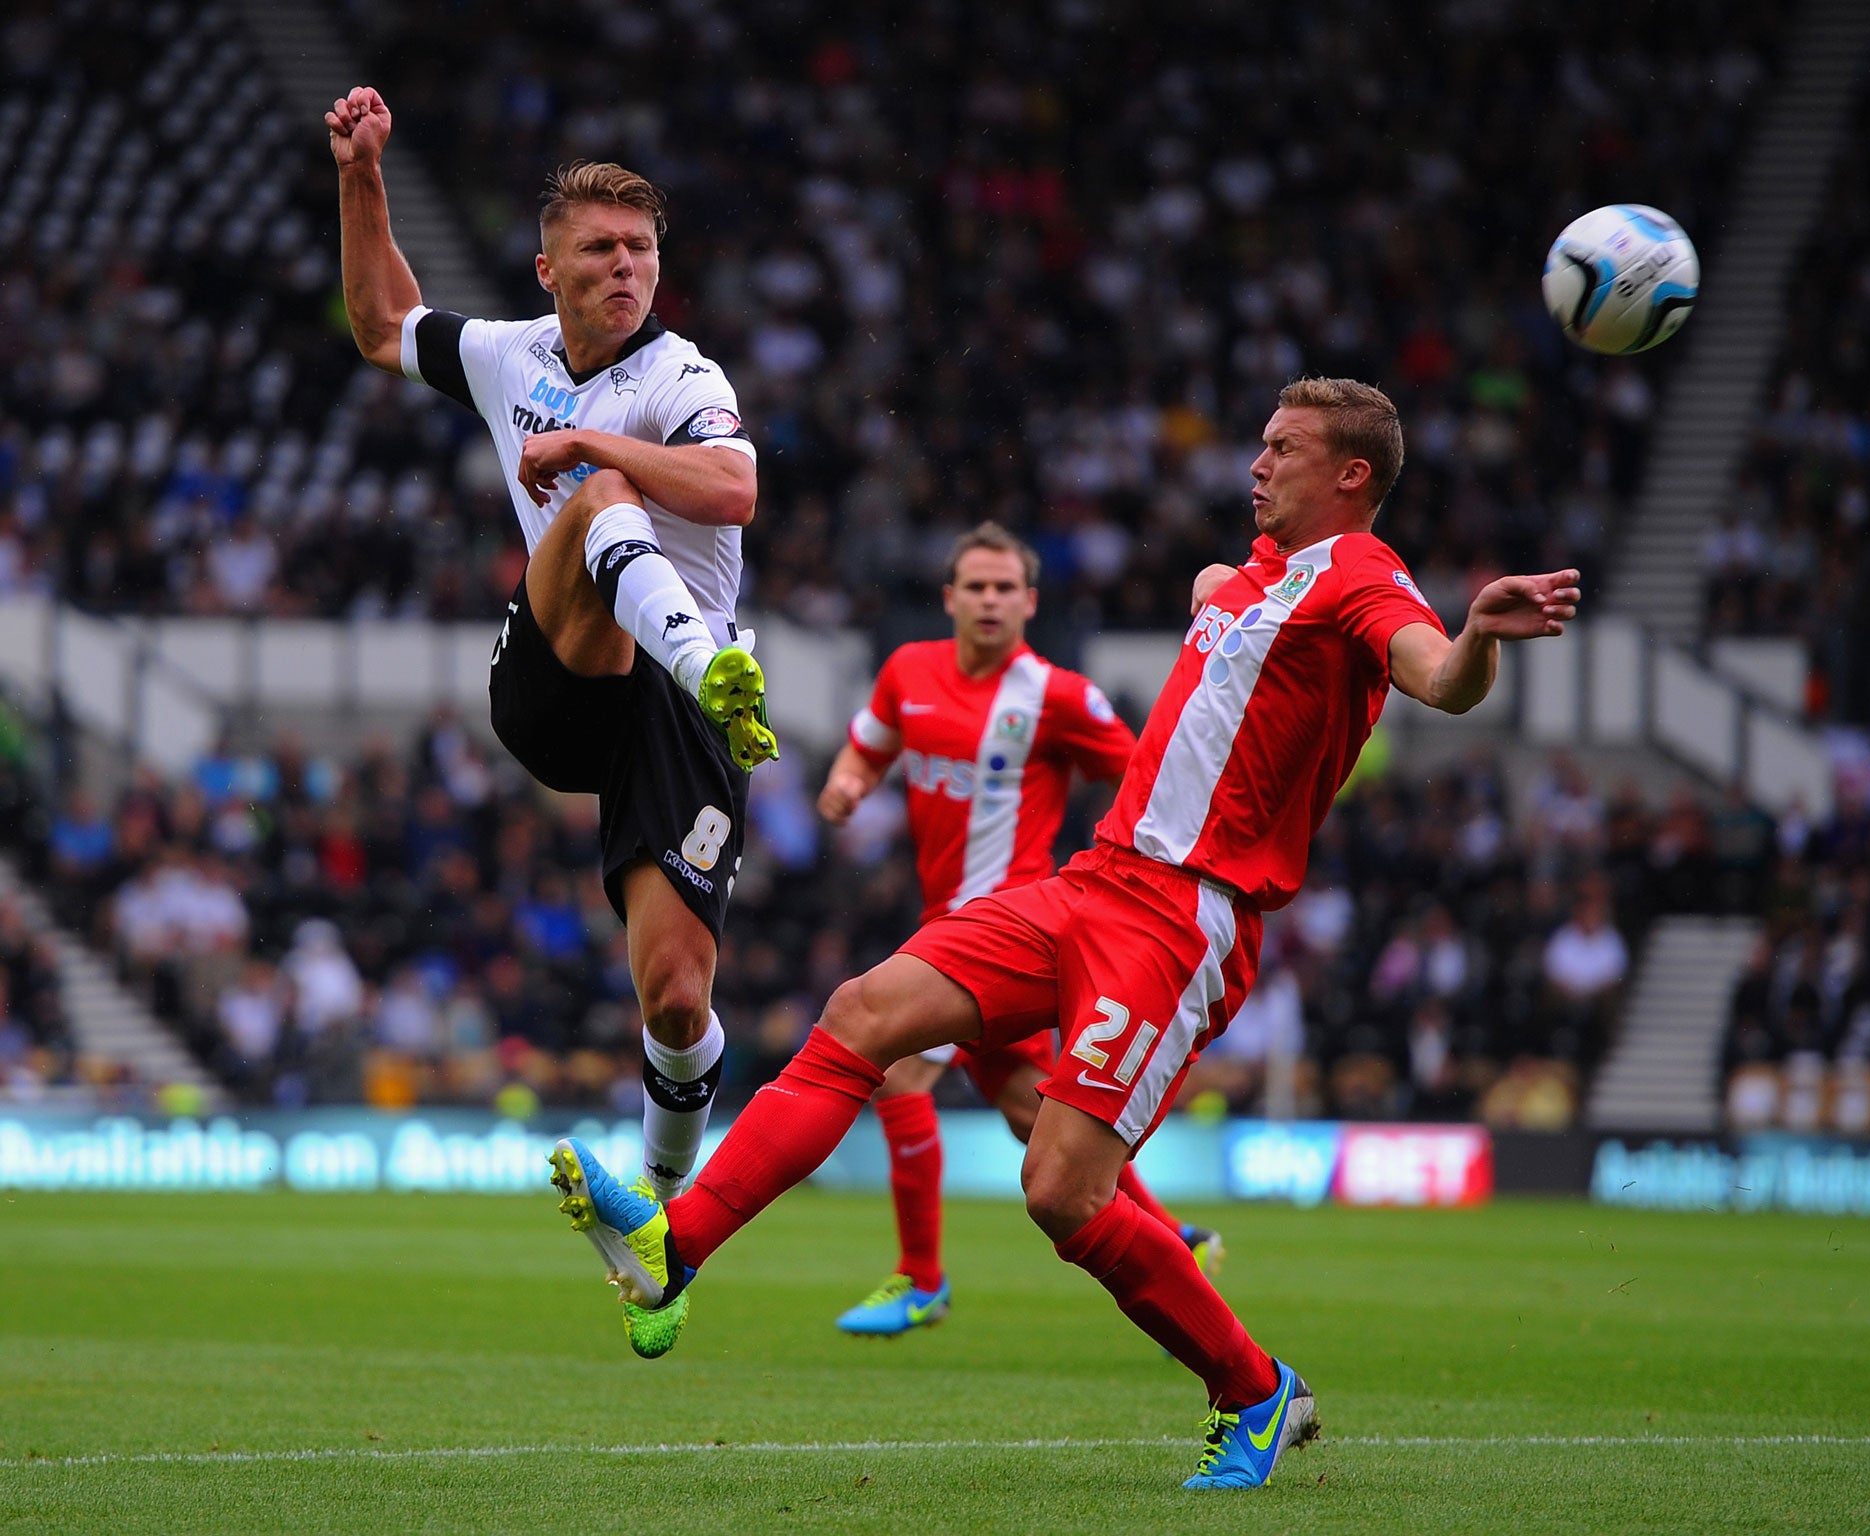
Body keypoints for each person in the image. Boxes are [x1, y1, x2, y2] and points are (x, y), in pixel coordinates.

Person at [547, 377, 1581, 1488]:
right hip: (1092, 881)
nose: (1255, 464)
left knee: (1060, 1191)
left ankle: (1254, 1390)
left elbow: (1437, 678)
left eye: (1282, 449)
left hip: (1186, 917)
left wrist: (1476, 634)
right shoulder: (1235, 579)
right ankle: (674, 1248)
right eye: (1261, 443)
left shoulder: (1365, 578)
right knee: (863, 1015)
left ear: (1351, 476)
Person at [329, 89, 773, 1267]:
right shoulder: (505, 356)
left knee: (676, 1000)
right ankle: (708, 658)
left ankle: (653, 1236)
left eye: (641, 249)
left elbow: (733, 492)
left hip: (669, 724)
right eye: (601, 249)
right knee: (596, 505)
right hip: (557, 680)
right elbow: (383, 325)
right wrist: (363, 172)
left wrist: (588, 438)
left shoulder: (684, 375)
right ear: (547, 270)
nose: (626, 266)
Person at [814, 520, 1219, 1337]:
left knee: (895, 1071)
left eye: (1006, 588)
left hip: (1015, 939)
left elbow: (1146, 777)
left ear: (1031, 602)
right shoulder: (907, 672)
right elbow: (868, 746)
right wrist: (848, 786)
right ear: (949, 599)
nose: (991, 600)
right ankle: (1172, 1238)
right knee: (1032, 1114)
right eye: (977, 587)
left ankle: (921, 1279)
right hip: (947, 930)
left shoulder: (1060, 697)